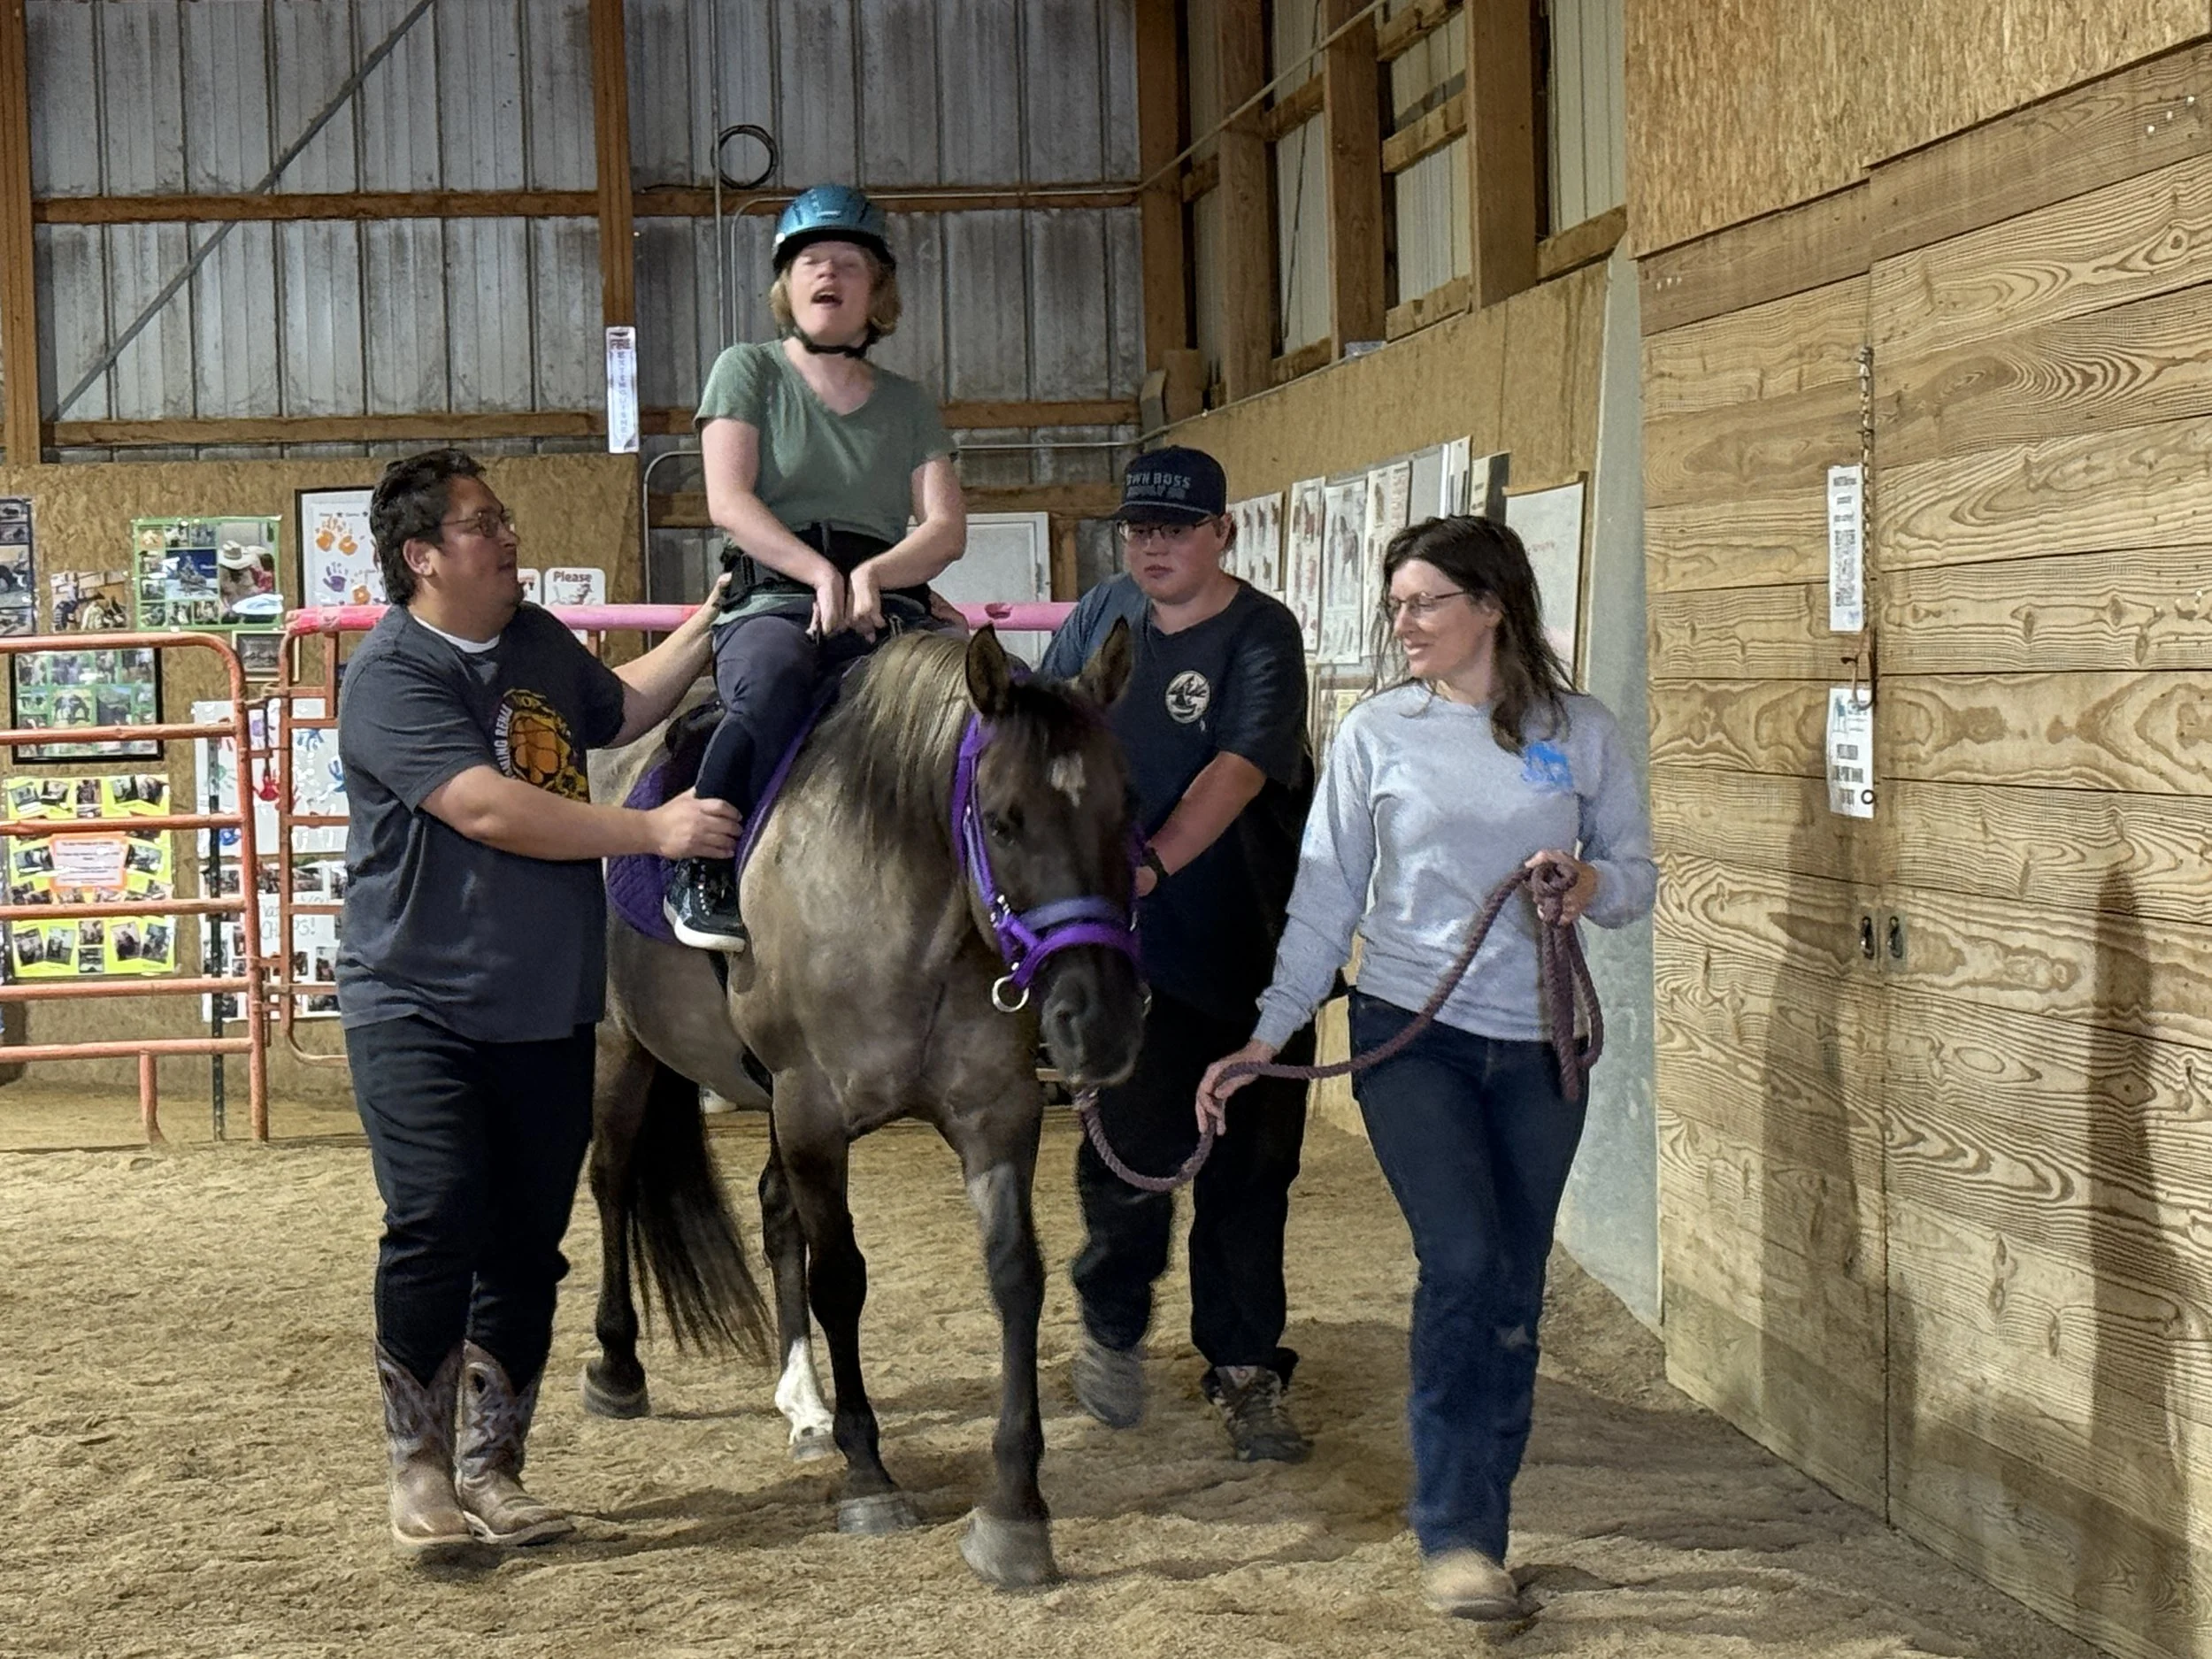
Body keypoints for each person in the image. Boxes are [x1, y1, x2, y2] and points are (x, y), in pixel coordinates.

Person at [1197, 515, 1657, 1619]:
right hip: (1412, 1035)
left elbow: (1636, 874)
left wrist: (1589, 885)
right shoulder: (1376, 735)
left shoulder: (1578, 731)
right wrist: (1269, 1032)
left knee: (1514, 1286)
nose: (1402, 622)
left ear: (1490, 607)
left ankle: (1481, 1515)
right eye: (1395, 603)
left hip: (1543, 1041)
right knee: (1461, 1260)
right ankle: (1457, 1536)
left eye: (1423, 602)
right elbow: (1325, 896)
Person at [339, 449, 742, 1557]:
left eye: (503, 517)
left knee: (525, 1243)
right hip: (416, 998)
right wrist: (653, 829)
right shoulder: (392, 675)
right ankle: (421, 1467)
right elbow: (487, 808)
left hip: (546, 1001)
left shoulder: (535, 641)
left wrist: (717, 613)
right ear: (423, 557)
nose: (508, 536)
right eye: (483, 524)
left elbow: (624, 705)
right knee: (436, 1219)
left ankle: (493, 1467)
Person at [1037, 445, 1317, 1463]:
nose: (1153, 548)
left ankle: (1244, 1368)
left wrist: (1147, 865)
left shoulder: (1260, 633)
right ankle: (1112, 1325)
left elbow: (1237, 770)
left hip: (1250, 948)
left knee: (1251, 1174)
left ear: (1220, 532)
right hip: (1131, 958)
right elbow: (1042, 729)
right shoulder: (1101, 614)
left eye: (1176, 530)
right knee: (1128, 1163)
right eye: (1139, 531)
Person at [663, 182, 967, 951]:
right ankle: (704, 863)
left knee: (988, 703)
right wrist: (818, 572)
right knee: (771, 681)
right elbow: (728, 500)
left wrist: (873, 576)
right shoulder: (748, 371)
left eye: (848, 263)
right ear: (786, 285)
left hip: (885, 600)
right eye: (810, 262)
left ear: (877, 291)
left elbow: (945, 527)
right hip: (774, 594)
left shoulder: (909, 402)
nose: (828, 273)